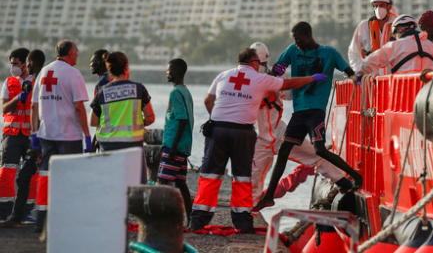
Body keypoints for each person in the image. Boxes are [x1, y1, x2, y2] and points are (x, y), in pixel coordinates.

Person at [189, 48, 327, 233]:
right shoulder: (258, 78)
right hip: (242, 133)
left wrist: (219, 117)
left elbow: (208, 100)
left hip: (218, 130)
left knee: (210, 176)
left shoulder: (223, 75)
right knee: (242, 177)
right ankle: (242, 222)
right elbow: (288, 84)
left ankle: (197, 221)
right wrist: (312, 78)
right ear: (254, 63)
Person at [254, 22, 362, 213]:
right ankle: (261, 202)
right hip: (280, 126)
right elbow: (277, 73)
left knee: (318, 151)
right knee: (272, 162)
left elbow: (349, 73)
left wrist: (358, 82)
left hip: (299, 120)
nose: (296, 43)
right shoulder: (288, 54)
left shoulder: (328, 53)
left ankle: (349, 178)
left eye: (298, 39)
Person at [31, 40, 91, 233]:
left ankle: (41, 221)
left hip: (47, 134)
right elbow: (79, 108)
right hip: (69, 135)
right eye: (77, 52)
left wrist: (34, 132)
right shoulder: (73, 74)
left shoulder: (43, 73)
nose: (78, 55)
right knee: (69, 178)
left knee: (46, 176)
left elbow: (34, 106)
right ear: (70, 53)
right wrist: (88, 136)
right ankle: (66, 222)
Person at [89, 51, 155, 184]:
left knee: (111, 187)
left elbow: (92, 121)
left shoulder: (102, 92)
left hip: (108, 147)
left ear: (109, 70)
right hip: (132, 146)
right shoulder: (138, 89)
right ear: (126, 68)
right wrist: (139, 123)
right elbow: (150, 118)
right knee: (135, 187)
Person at [0, 50, 46, 228]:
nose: (13, 67)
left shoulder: (38, 81)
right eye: (12, 63)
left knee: (32, 175)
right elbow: (4, 107)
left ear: (26, 64)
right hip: (11, 135)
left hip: (31, 135)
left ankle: (26, 212)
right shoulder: (9, 82)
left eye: (16, 63)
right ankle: (3, 212)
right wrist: (18, 98)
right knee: (6, 172)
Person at [157, 58, 194, 226]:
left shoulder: (175, 93)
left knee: (163, 181)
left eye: (169, 70)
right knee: (180, 182)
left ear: (177, 73)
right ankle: (190, 218)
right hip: (183, 146)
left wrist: (173, 147)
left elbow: (182, 119)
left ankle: (165, 220)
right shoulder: (186, 91)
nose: (167, 73)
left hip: (175, 146)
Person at [357, 15, 433, 76]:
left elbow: (368, 63)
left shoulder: (395, 46)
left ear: (401, 30)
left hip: (402, 98)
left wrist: (359, 74)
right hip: (426, 96)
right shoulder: (431, 46)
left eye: (394, 35)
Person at [348, 0, 397, 75]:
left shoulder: (397, 26)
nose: (378, 9)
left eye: (381, 5)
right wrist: (359, 71)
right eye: (375, 5)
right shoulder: (364, 26)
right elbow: (353, 52)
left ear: (389, 6)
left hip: (392, 80)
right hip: (371, 81)